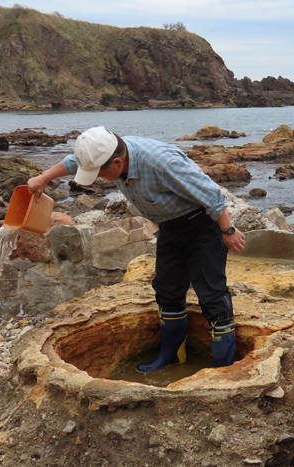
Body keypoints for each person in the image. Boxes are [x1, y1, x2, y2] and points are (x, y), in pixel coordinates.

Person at [27, 126, 246, 371]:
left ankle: (223, 369)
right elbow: (72, 162)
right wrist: (43, 178)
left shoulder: (163, 163)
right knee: (167, 290)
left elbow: (212, 194)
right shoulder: (105, 152)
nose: (98, 178)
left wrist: (228, 231)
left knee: (212, 295)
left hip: (202, 226)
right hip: (170, 226)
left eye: (99, 173)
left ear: (117, 163)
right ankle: (172, 357)